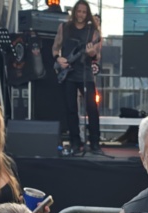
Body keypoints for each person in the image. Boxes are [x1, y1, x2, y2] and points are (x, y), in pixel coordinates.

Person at [53, 0, 103, 155]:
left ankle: (95, 142)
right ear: (74, 12)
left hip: (85, 74)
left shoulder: (92, 31)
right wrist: (58, 58)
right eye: (79, 11)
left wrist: (92, 53)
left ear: (87, 14)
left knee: (92, 109)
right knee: (71, 109)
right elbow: (55, 47)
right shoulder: (64, 27)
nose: (81, 15)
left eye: (84, 12)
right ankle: (75, 141)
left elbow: (97, 55)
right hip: (68, 74)